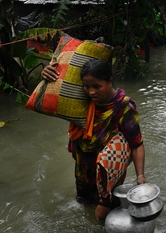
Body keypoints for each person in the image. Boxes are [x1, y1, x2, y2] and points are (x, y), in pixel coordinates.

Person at [41, 59, 147, 221]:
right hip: (83, 169)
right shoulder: (81, 100)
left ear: (110, 81)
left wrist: (140, 176)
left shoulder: (123, 106)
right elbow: (54, 94)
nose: (91, 92)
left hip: (108, 172)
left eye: (97, 86)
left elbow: (136, 144)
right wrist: (47, 76)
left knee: (102, 216)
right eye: (86, 86)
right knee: (85, 207)